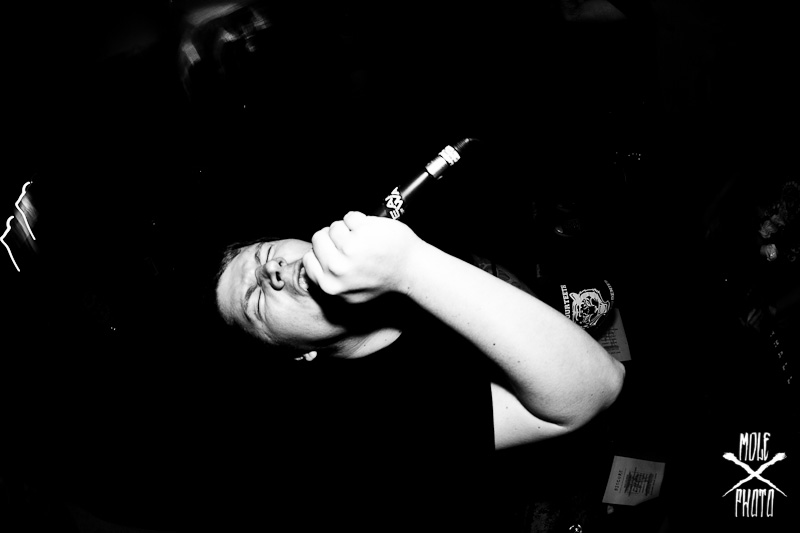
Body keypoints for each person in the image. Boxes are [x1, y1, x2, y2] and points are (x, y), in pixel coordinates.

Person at [214, 210, 626, 532]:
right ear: (296, 354)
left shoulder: (399, 235)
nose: (271, 269)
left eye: (265, 253)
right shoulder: (373, 430)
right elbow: (598, 386)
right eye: (255, 302)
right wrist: (409, 267)